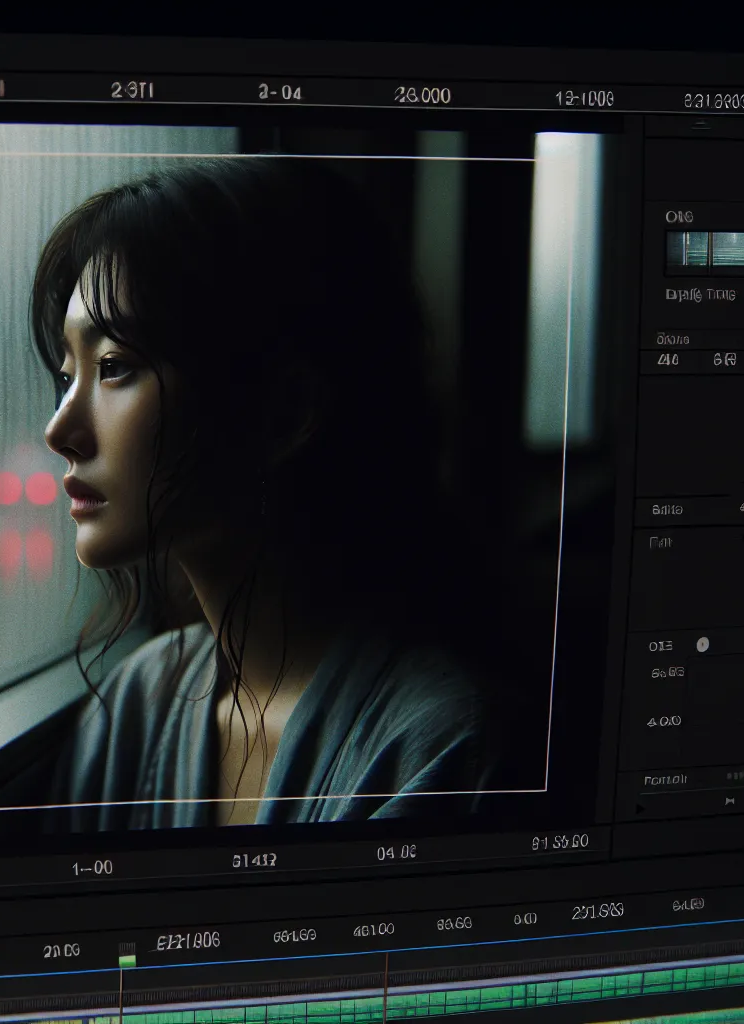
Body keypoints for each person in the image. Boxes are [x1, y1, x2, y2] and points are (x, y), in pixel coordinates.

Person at [32, 157, 523, 831]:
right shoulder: (135, 705)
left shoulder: (440, 750)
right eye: (68, 375)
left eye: (114, 366)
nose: (59, 430)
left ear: (286, 412)